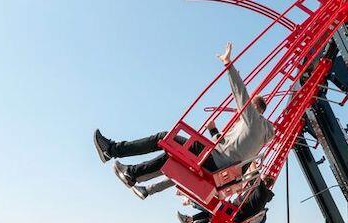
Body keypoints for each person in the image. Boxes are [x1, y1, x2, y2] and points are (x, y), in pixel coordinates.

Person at [94, 42, 275, 197]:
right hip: (219, 172)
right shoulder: (261, 139)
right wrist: (214, 131)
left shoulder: (253, 121)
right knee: (173, 154)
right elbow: (232, 149)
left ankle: (112, 150)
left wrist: (228, 64)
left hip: (213, 160)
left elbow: (240, 94)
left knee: (165, 138)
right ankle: (132, 174)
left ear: (255, 107)